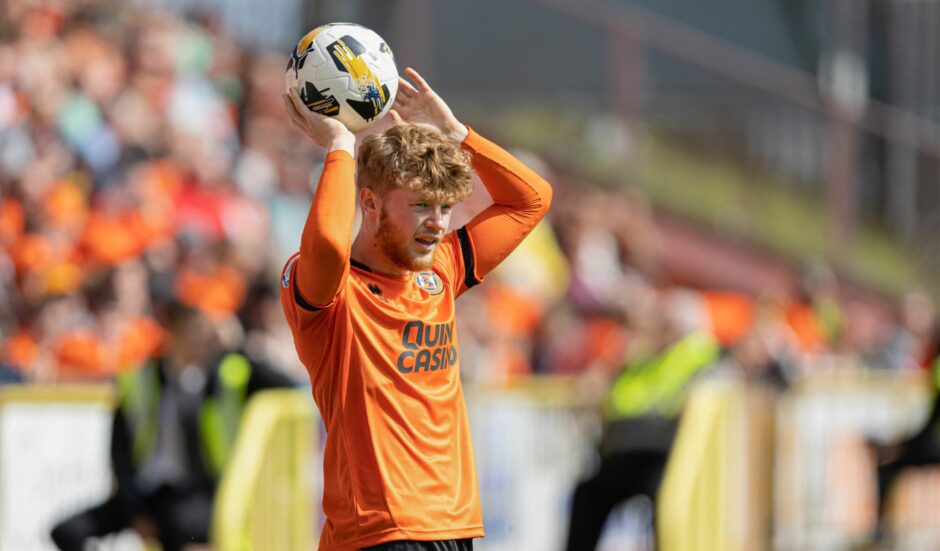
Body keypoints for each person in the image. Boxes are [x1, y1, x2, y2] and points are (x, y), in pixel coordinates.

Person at [278, 67, 552, 551]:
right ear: (371, 203)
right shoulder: (332, 293)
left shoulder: (441, 270)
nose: (437, 223)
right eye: (422, 205)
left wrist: (456, 134)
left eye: (445, 208)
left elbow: (530, 201)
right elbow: (326, 241)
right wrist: (340, 145)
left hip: (453, 525)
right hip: (381, 532)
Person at [50, 303, 294, 551]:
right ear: (174, 333)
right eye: (194, 332)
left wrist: (236, 346)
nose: (200, 342)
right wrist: (135, 511)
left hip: (198, 492)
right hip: (146, 494)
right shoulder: (141, 380)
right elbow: (119, 454)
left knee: (183, 529)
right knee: (67, 532)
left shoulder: (225, 373)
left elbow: (289, 385)